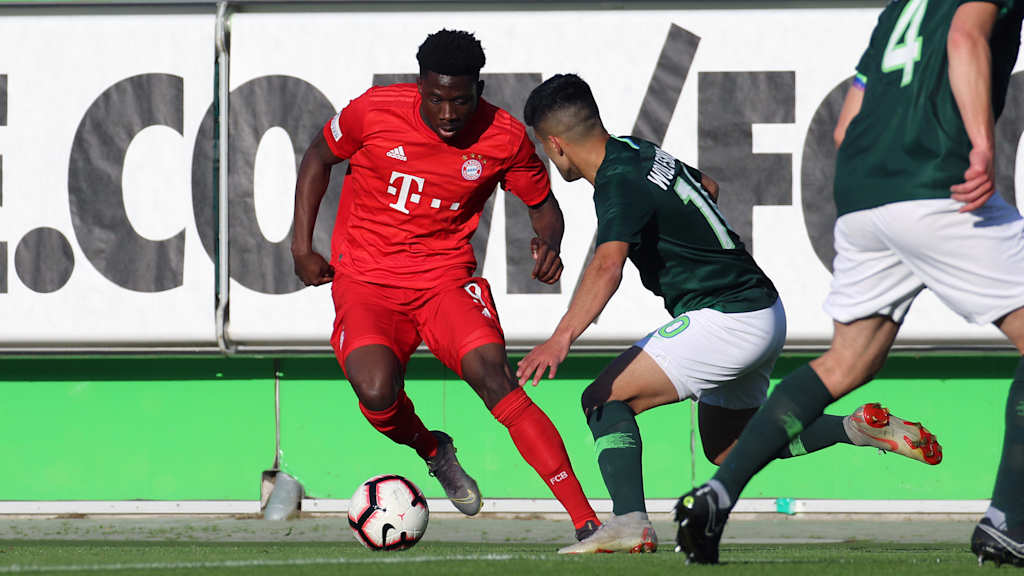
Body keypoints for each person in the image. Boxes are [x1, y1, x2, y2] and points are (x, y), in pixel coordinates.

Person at [517, 73, 942, 555]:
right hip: (763, 310)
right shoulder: (637, 150)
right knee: (727, 447)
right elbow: (709, 187)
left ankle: (629, 521)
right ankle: (854, 428)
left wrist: (561, 339)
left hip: (725, 317)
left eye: (544, 148)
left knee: (602, 399)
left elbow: (606, 265)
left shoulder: (616, 182)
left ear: (555, 144)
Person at [675, 0, 1024, 566]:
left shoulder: (898, 11)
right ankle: (1010, 521)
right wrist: (983, 145)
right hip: (937, 183)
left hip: (862, 194)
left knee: (845, 363)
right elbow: (965, 37)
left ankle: (717, 494)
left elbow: (845, 124)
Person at [290, 29, 600, 540]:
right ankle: (433, 449)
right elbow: (317, 157)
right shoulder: (374, 111)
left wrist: (550, 243)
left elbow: (543, 205)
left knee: (495, 378)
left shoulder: (503, 136)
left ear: (479, 89)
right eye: (436, 99)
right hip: (367, 282)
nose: (449, 113)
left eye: (461, 100)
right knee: (376, 391)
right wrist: (301, 247)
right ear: (420, 87)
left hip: (445, 282)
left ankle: (587, 521)